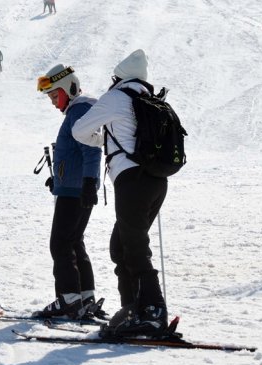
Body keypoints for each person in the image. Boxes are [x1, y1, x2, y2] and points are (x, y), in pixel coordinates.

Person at [72, 49, 169, 337]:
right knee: (122, 246)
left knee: (134, 247)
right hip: (156, 181)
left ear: (118, 77)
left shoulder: (117, 97)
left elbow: (79, 130)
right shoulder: (150, 99)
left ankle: (152, 311)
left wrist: (103, 139)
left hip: (131, 181)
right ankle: (133, 309)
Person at [34, 64, 102, 319]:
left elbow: (91, 149)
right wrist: (60, 181)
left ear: (68, 88)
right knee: (74, 242)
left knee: (60, 244)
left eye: (54, 95)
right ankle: (85, 298)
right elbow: (76, 153)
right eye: (50, 97)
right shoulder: (79, 111)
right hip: (73, 188)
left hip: (75, 191)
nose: (53, 102)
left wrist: (86, 182)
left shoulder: (79, 110)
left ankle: (68, 300)